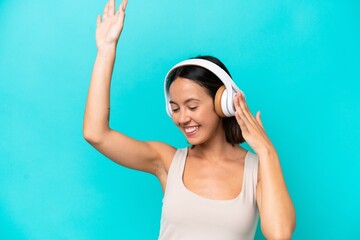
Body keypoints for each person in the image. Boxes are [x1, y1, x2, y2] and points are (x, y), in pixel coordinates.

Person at [83, 0, 296, 239]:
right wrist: (106, 51)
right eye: (174, 108)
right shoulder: (168, 161)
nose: (183, 118)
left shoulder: (256, 169)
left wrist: (267, 151)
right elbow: (96, 134)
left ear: (222, 103)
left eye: (192, 106)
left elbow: (280, 234)